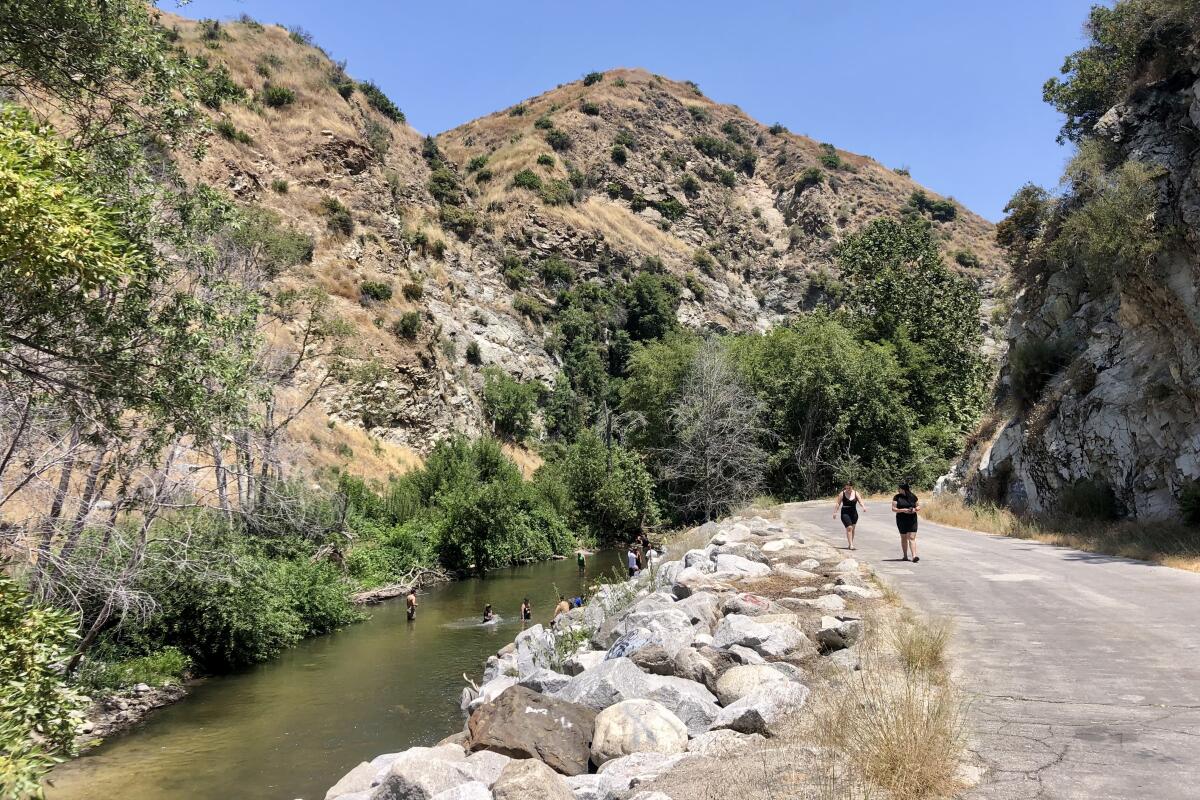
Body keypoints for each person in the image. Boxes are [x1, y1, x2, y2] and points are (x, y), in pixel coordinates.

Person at [891, 482, 921, 562]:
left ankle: (914, 556)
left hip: (912, 519)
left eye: (899, 488)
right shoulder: (896, 497)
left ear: (903, 489)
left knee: (912, 537)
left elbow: (918, 506)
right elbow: (893, 509)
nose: (898, 489)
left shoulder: (913, 496)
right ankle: (905, 556)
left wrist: (915, 509)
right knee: (904, 537)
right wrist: (903, 510)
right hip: (901, 519)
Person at [832, 482, 866, 550]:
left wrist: (863, 507)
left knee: (852, 529)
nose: (847, 489)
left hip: (854, 513)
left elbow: (860, 501)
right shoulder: (842, 493)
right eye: (846, 488)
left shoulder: (856, 493)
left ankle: (850, 544)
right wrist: (835, 512)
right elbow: (838, 503)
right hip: (845, 512)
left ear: (852, 487)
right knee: (849, 527)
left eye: (849, 488)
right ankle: (851, 545)